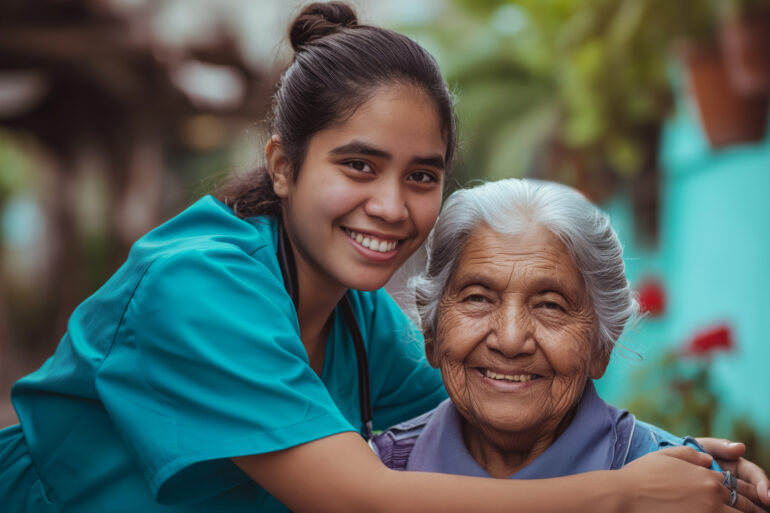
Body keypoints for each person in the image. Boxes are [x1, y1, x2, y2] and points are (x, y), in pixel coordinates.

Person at [0, 3, 767, 513]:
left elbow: (498, 392)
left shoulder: (361, 321)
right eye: (359, 166)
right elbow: (364, 498)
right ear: (283, 165)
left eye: (422, 176)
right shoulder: (197, 286)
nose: (393, 206)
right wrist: (624, 495)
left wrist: (685, 462)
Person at [371, 179, 758, 510]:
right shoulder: (375, 474)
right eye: (478, 298)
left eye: (550, 305)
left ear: (601, 346)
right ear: (432, 332)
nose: (510, 340)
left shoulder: (689, 490)